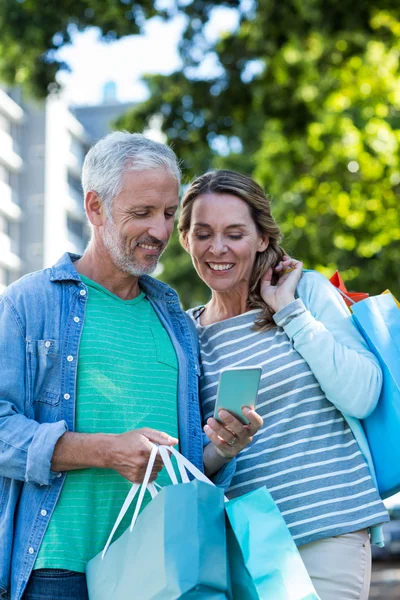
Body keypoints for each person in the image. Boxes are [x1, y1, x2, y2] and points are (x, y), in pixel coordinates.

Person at [0, 135, 262, 600]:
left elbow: (185, 459)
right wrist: (104, 451)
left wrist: (222, 449)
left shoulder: (175, 320)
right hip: (60, 572)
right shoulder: (29, 303)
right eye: (141, 213)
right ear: (95, 207)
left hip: (165, 571)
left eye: (167, 213)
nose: (160, 232)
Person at [179, 169, 389, 600]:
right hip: (244, 544)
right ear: (185, 239)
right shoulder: (184, 334)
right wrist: (220, 450)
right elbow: (185, 462)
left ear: (261, 238)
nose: (217, 248)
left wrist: (289, 313)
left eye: (234, 233)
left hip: (329, 527)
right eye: (203, 233)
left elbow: (363, 394)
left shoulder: (305, 292)